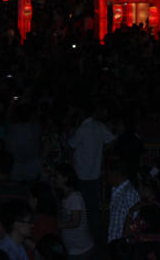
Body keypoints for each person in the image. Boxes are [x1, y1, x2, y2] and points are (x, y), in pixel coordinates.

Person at [67, 100, 115, 244]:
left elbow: (71, 145)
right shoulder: (99, 126)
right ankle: (96, 234)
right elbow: (113, 140)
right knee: (94, 205)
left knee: (83, 205)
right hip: (94, 173)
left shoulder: (82, 129)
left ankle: (87, 235)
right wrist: (100, 151)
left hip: (81, 173)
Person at [53, 163, 94, 260]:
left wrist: (54, 224)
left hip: (81, 249)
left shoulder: (74, 197)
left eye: (56, 176)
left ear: (65, 178)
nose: (54, 178)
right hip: (73, 248)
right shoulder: (65, 196)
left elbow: (75, 222)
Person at [106, 159, 139, 245]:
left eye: (108, 175)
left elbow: (135, 223)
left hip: (123, 247)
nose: (106, 178)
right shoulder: (115, 190)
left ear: (115, 174)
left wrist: (125, 244)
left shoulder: (129, 193)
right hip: (114, 244)